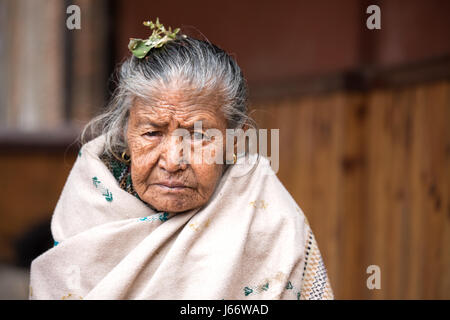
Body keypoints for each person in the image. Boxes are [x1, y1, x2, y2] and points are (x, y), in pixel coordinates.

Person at [29, 20, 333, 300]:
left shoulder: (267, 216)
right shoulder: (89, 201)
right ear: (125, 131)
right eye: (152, 133)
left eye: (199, 136)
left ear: (234, 140)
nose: (173, 161)